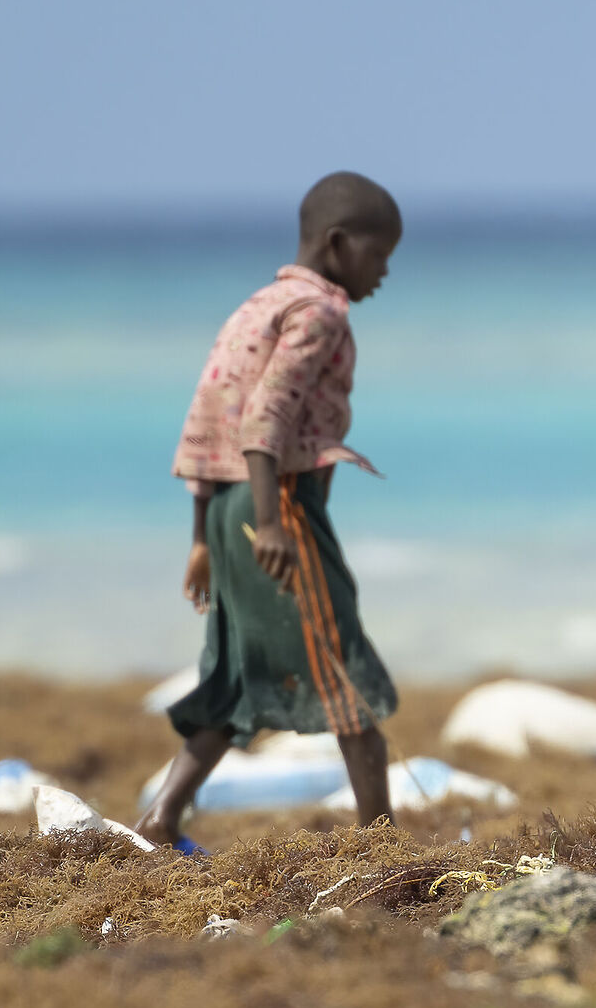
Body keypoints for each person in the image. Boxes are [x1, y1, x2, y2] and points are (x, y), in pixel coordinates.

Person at [134, 173, 403, 846]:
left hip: (227, 506)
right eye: (379, 254)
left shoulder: (257, 304)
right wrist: (277, 521)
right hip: (271, 501)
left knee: (235, 676)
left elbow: (208, 419)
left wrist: (202, 536)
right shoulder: (320, 311)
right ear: (339, 244)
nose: (385, 271)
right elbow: (265, 418)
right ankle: (379, 840)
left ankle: (161, 818)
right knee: (341, 658)